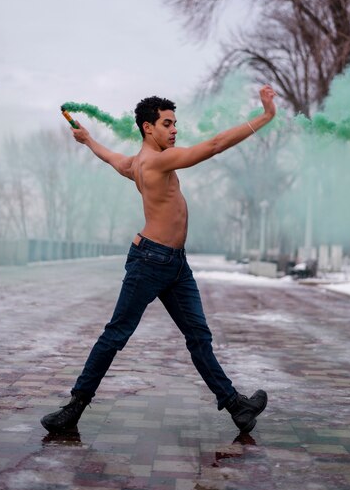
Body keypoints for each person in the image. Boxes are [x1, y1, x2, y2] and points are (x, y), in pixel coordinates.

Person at [41, 85, 276, 434]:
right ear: (148, 127)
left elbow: (111, 158)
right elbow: (213, 146)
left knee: (199, 336)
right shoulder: (157, 160)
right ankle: (74, 407)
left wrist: (89, 140)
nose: (174, 129)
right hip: (149, 262)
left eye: (175, 123)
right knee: (116, 334)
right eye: (167, 123)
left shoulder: (136, 163)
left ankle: (236, 406)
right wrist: (266, 116)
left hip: (175, 266)